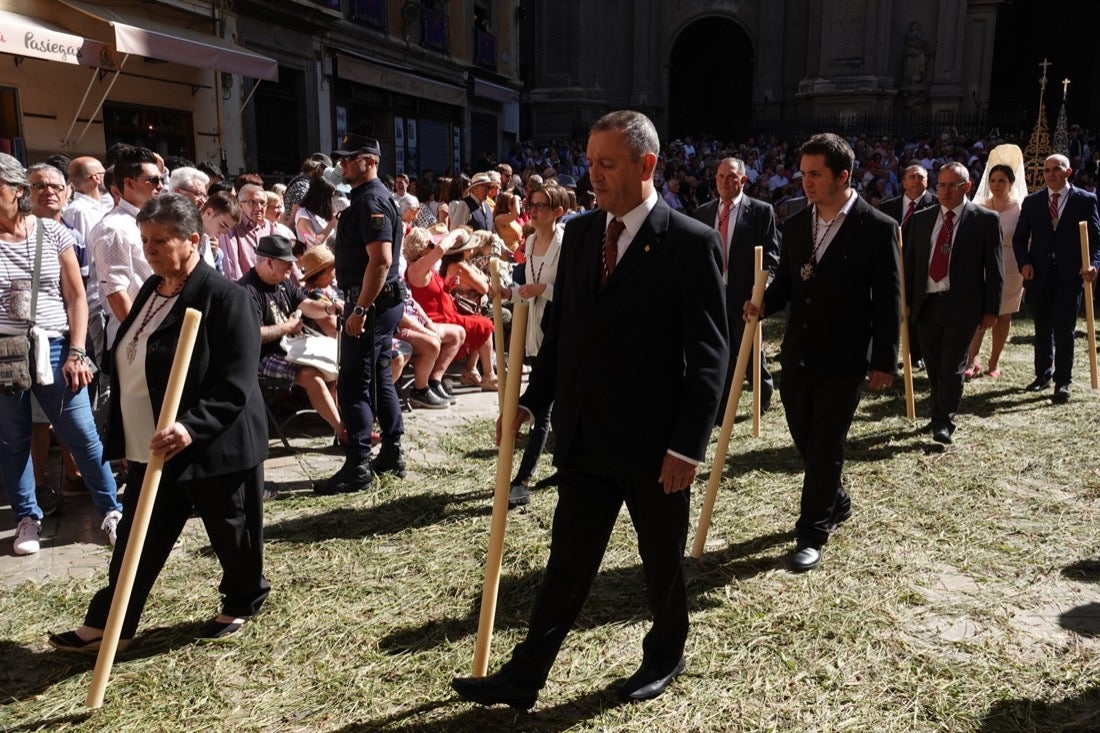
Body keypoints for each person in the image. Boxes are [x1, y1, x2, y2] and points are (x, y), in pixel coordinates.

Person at [451, 110, 728, 709]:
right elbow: (563, 334)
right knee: (567, 564)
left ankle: (666, 653)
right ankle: (524, 678)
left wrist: (687, 446)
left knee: (660, 563)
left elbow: (710, 357)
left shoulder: (689, 242)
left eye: (607, 163)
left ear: (645, 164)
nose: (593, 175)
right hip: (584, 439)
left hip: (656, 448)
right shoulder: (579, 235)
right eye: (590, 162)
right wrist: (530, 402)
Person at [48, 193, 270, 650]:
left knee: (231, 528)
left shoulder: (227, 297)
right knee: (136, 536)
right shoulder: (151, 290)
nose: (149, 250)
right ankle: (112, 623)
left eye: (161, 241)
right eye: (144, 240)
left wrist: (191, 425)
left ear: (192, 240)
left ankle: (244, 597)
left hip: (212, 442)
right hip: (152, 440)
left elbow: (236, 382)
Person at [744, 133, 900, 573]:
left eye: (816, 174)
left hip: (846, 358)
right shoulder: (795, 224)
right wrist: (762, 304)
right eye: (804, 173)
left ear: (842, 176)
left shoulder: (877, 228)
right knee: (804, 438)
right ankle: (838, 498)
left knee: (827, 443)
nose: (806, 182)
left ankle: (812, 531)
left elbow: (888, 300)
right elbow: (789, 286)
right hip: (797, 355)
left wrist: (883, 361)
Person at [0, 154, 123, 557]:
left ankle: (110, 509)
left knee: (82, 434)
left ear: (16, 191)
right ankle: (27, 516)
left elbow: (75, 297)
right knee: (12, 439)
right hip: (3, 349)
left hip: (53, 345)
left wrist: (76, 350)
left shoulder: (52, 233)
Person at [316, 135, 407, 495]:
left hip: (370, 303)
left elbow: (381, 260)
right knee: (379, 377)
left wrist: (359, 309)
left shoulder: (371, 199)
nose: (342, 165)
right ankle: (391, 452)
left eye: (349, 159)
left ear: (369, 161)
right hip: (375, 301)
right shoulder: (369, 197)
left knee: (355, 382)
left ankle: (358, 464)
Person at [905, 162, 1002, 445]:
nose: (946, 192)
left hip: (963, 306)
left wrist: (991, 310)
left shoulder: (984, 220)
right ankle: (938, 412)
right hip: (927, 305)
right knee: (934, 365)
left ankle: (943, 421)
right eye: (942, 185)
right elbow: (911, 263)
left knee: (952, 365)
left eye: (953, 185)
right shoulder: (923, 219)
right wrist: (907, 300)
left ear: (967, 187)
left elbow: (994, 269)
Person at [496, 183, 566, 508]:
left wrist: (544, 288)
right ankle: (563, 466)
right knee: (551, 404)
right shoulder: (530, 240)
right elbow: (525, 284)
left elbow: (572, 292)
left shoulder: (565, 243)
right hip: (535, 332)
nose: (534, 210)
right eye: (531, 203)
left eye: (541, 205)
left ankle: (523, 478)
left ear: (557, 212)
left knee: (545, 407)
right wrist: (508, 294)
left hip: (559, 334)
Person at [693, 156, 780, 414]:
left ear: (743, 179)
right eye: (719, 176)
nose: (724, 182)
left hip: (745, 295)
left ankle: (762, 398)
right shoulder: (704, 212)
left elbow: (772, 256)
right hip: (714, 296)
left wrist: (762, 288)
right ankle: (721, 406)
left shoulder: (761, 212)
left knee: (751, 352)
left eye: (730, 176)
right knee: (719, 352)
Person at [1012, 153, 1100, 403]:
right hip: (1039, 275)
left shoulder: (1085, 200)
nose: (1050, 173)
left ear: (1068, 172)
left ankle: (1063, 381)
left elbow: (1096, 241)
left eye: (1056, 169)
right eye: (1046, 169)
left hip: (1070, 275)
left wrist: (1093, 266)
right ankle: (1042, 375)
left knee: (1064, 330)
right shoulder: (1033, 202)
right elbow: (1019, 238)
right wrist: (1024, 263)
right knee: (1041, 328)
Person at [966, 146, 1028, 378]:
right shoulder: (979, 207)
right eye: (993, 179)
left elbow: (1027, 240)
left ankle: (994, 362)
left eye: (1002, 180)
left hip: (1011, 267)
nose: (996, 184)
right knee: (978, 314)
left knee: (1003, 315)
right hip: (982, 265)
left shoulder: (1021, 208)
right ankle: (972, 360)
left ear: (1011, 182)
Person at [219, 183, 276, 281]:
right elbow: (232, 268)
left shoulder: (270, 227)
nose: (259, 208)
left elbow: (280, 259)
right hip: (244, 288)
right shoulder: (232, 228)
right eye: (253, 202)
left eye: (262, 203)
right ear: (240, 205)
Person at [294, 176, 337, 247]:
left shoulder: (318, 216)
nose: (331, 201)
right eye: (329, 197)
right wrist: (332, 223)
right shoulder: (303, 214)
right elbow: (313, 242)